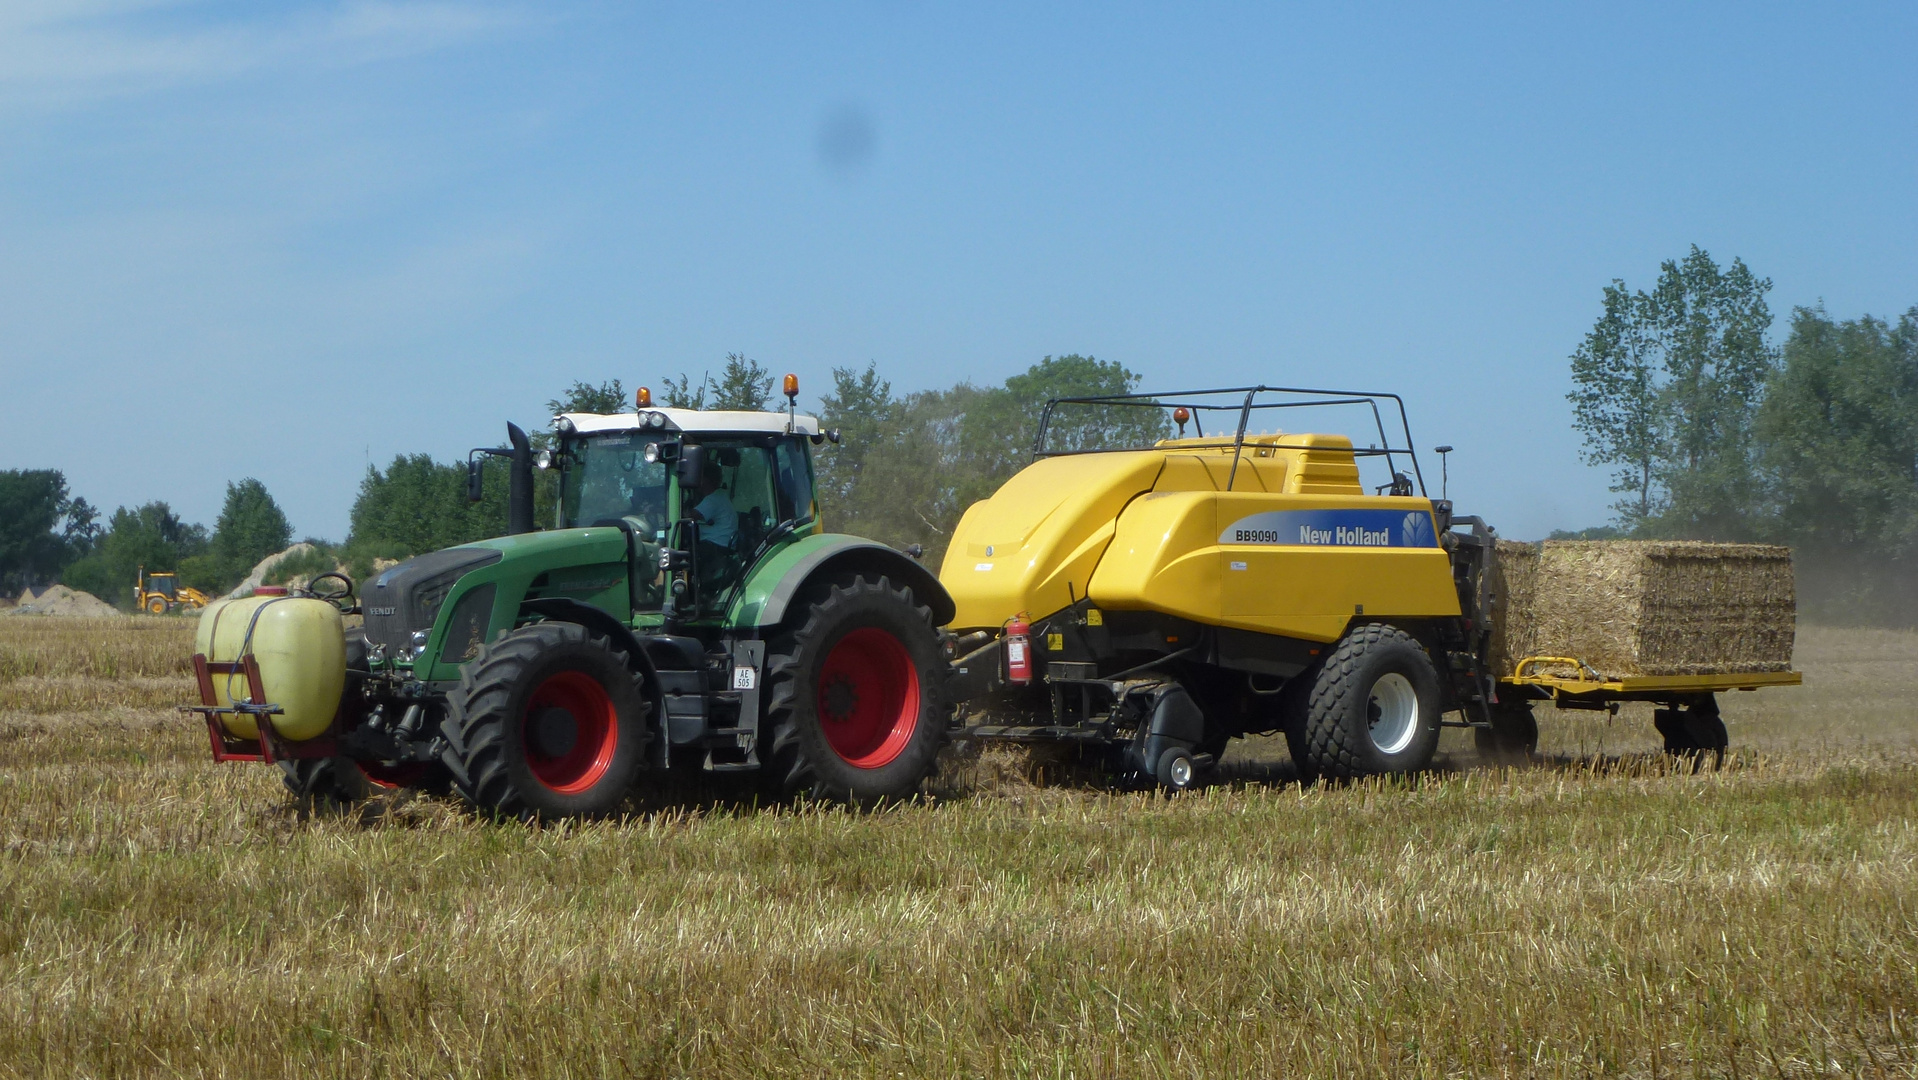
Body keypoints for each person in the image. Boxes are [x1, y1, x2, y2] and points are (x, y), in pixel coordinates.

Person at [688, 470, 738, 550]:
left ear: (705, 480)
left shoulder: (713, 499)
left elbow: (691, 516)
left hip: (717, 545)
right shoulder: (721, 494)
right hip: (724, 543)